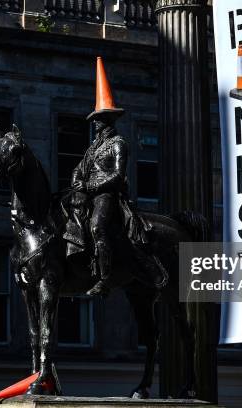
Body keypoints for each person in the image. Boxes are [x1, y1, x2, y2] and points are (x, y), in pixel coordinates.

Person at [68, 57, 166, 297]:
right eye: (95, 120)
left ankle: (104, 278)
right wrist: (76, 183)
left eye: (99, 119)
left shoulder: (118, 144)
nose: (96, 123)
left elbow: (117, 176)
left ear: (108, 120)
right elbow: (78, 169)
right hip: (88, 194)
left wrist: (90, 186)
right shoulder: (92, 148)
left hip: (107, 195)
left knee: (98, 227)